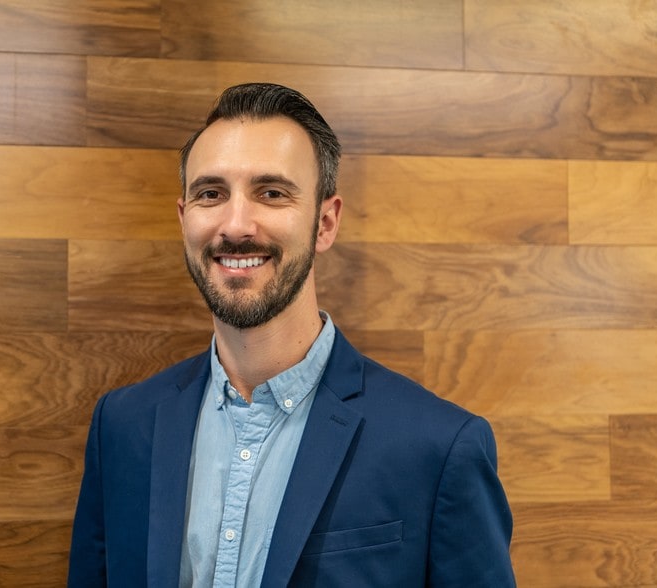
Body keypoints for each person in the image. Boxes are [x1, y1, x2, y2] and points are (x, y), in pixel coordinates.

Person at [68, 82, 515, 587]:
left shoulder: (439, 447)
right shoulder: (122, 427)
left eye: (272, 193)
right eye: (211, 194)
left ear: (325, 223)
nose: (236, 225)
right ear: (184, 218)